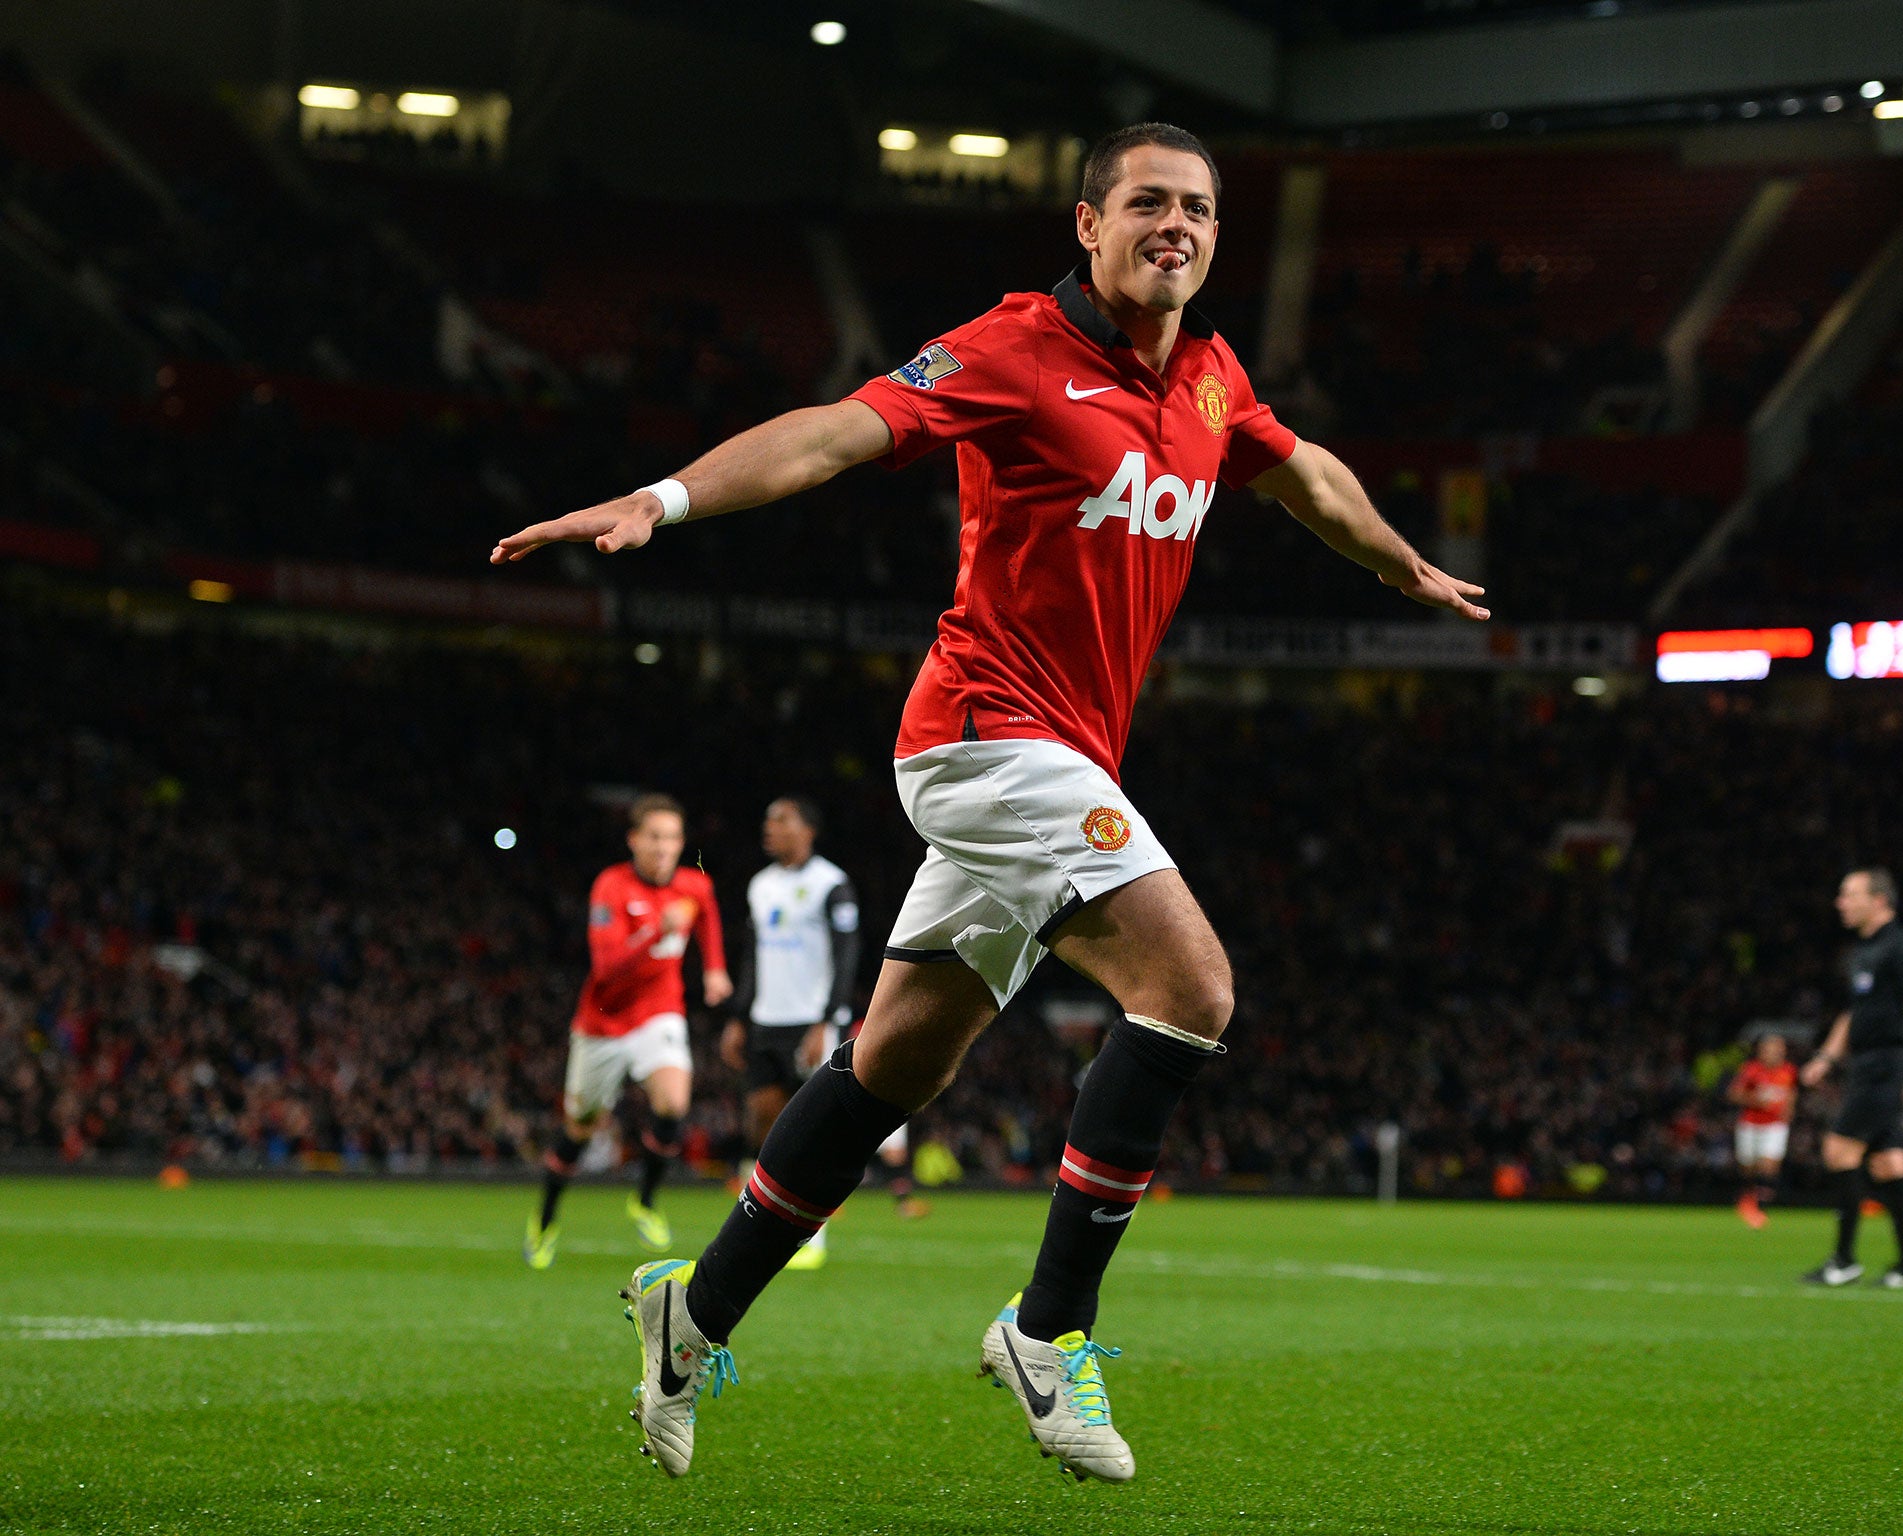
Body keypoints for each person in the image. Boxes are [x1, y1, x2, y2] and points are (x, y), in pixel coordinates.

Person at [491, 121, 1485, 1482]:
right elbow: (841, 434)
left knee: (895, 1063)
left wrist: (1401, 566)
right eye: (1148, 202)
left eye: (1197, 207)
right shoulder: (1015, 350)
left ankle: (694, 1311)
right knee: (1191, 990)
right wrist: (665, 499)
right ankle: (1047, 1327)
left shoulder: (1208, 376)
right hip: (983, 739)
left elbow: (1302, 472)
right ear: (1088, 222)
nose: (1176, 225)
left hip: (1066, 759)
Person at [524, 794, 732, 1269]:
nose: (663, 847)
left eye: (672, 837)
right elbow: (605, 968)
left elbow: (709, 920)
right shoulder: (611, 887)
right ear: (634, 840)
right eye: (654, 837)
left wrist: (715, 970)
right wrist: (653, 933)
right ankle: (545, 1220)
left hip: (660, 1013)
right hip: (602, 1023)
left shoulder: (693, 886)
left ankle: (645, 1201)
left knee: (673, 1103)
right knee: (579, 1129)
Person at [720, 796, 867, 1271]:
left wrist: (828, 1019)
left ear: (808, 829)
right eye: (767, 820)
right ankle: (756, 1228)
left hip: (810, 1022)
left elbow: (848, 954)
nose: (769, 827)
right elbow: (751, 957)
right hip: (766, 1020)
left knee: (811, 1132)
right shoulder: (760, 886)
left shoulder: (832, 884)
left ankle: (812, 1238)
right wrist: (739, 1017)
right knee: (761, 1118)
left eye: (780, 819)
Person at [1799, 868, 1903, 1289]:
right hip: (1865, 1063)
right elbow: (1854, 1012)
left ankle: (1843, 1261)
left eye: (1848, 894)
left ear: (1878, 900)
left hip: (1886, 1065)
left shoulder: (1900, 948)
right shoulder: (1864, 950)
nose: (1840, 902)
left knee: (1839, 1149)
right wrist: (1826, 1055)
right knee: (1888, 1162)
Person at [1727, 1031, 1796, 1228]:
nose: (1776, 1052)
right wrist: (1756, 1100)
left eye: (1779, 1048)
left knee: (1769, 1166)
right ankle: (1747, 1198)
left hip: (1775, 1126)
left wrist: (1789, 1109)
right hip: (1750, 1124)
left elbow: (1790, 1092)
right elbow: (1733, 1094)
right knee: (1748, 1167)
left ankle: (1761, 1207)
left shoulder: (1788, 1071)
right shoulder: (1751, 1070)